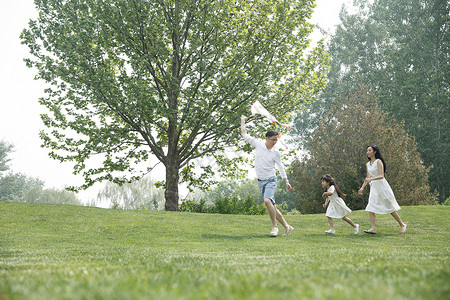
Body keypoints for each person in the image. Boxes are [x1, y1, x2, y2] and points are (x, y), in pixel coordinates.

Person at [240, 115, 294, 237]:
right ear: (266, 138)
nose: (274, 142)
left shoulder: (276, 153)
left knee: (266, 201)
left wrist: (286, 181)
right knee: (272, 206)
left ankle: (274, 227)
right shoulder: (258, 144)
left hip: (271, 180)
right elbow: (244, 134)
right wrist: (243, 120)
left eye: (276, 140)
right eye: (272, 140)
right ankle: (287, 226)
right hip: (261, 181)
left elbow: (280, 167)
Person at [358, 144, 407, 234]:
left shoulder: (378, 161)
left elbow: (381, 176)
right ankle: (373, 228)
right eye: (367, 150)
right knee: (370, 207)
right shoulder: (368, 164)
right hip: (374, 188)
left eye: (369, 150)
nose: (367, 152)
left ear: (374, 152)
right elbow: (367, 177)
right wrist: (362, 188)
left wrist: (371, 179)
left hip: (382, 186)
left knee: (390, 207)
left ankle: (402, 224)